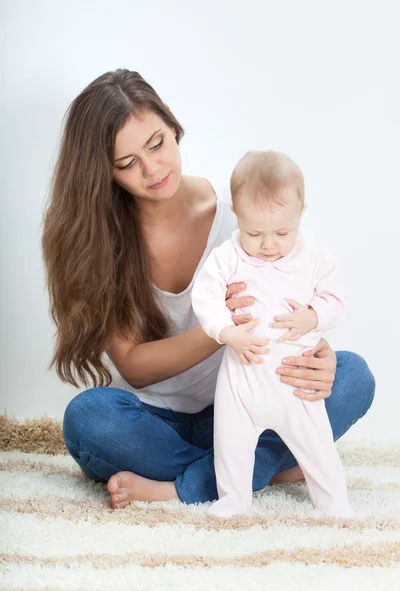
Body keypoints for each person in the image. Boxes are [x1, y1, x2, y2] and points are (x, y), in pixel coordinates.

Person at [41, 68, 375, 511]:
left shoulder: (242, 217)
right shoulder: (103, 244)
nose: (152, 168)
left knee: (354, 377)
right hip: (159, 421)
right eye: (127, 163)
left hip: (251, 402)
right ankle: (264, 469)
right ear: (105, 173)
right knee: (89, 420)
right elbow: (135, 367)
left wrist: (317, 355)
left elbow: (295, 302)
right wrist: (221, 329)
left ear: (173, 127)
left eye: (157, 144)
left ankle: (184, 486)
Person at [192, 150, 353, 518]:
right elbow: (206, 296)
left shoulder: (315, 257)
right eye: (254, 232)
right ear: (237, 214)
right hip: (242, 378)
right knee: (230, 441)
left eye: (282, 232)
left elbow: (335, 301)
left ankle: (333, 502)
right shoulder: (228, 255)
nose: (268, 244)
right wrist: (227, 332)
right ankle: (234, 498)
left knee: (318, 445)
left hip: (295, 380)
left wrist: (312, 317)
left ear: (301, 212)